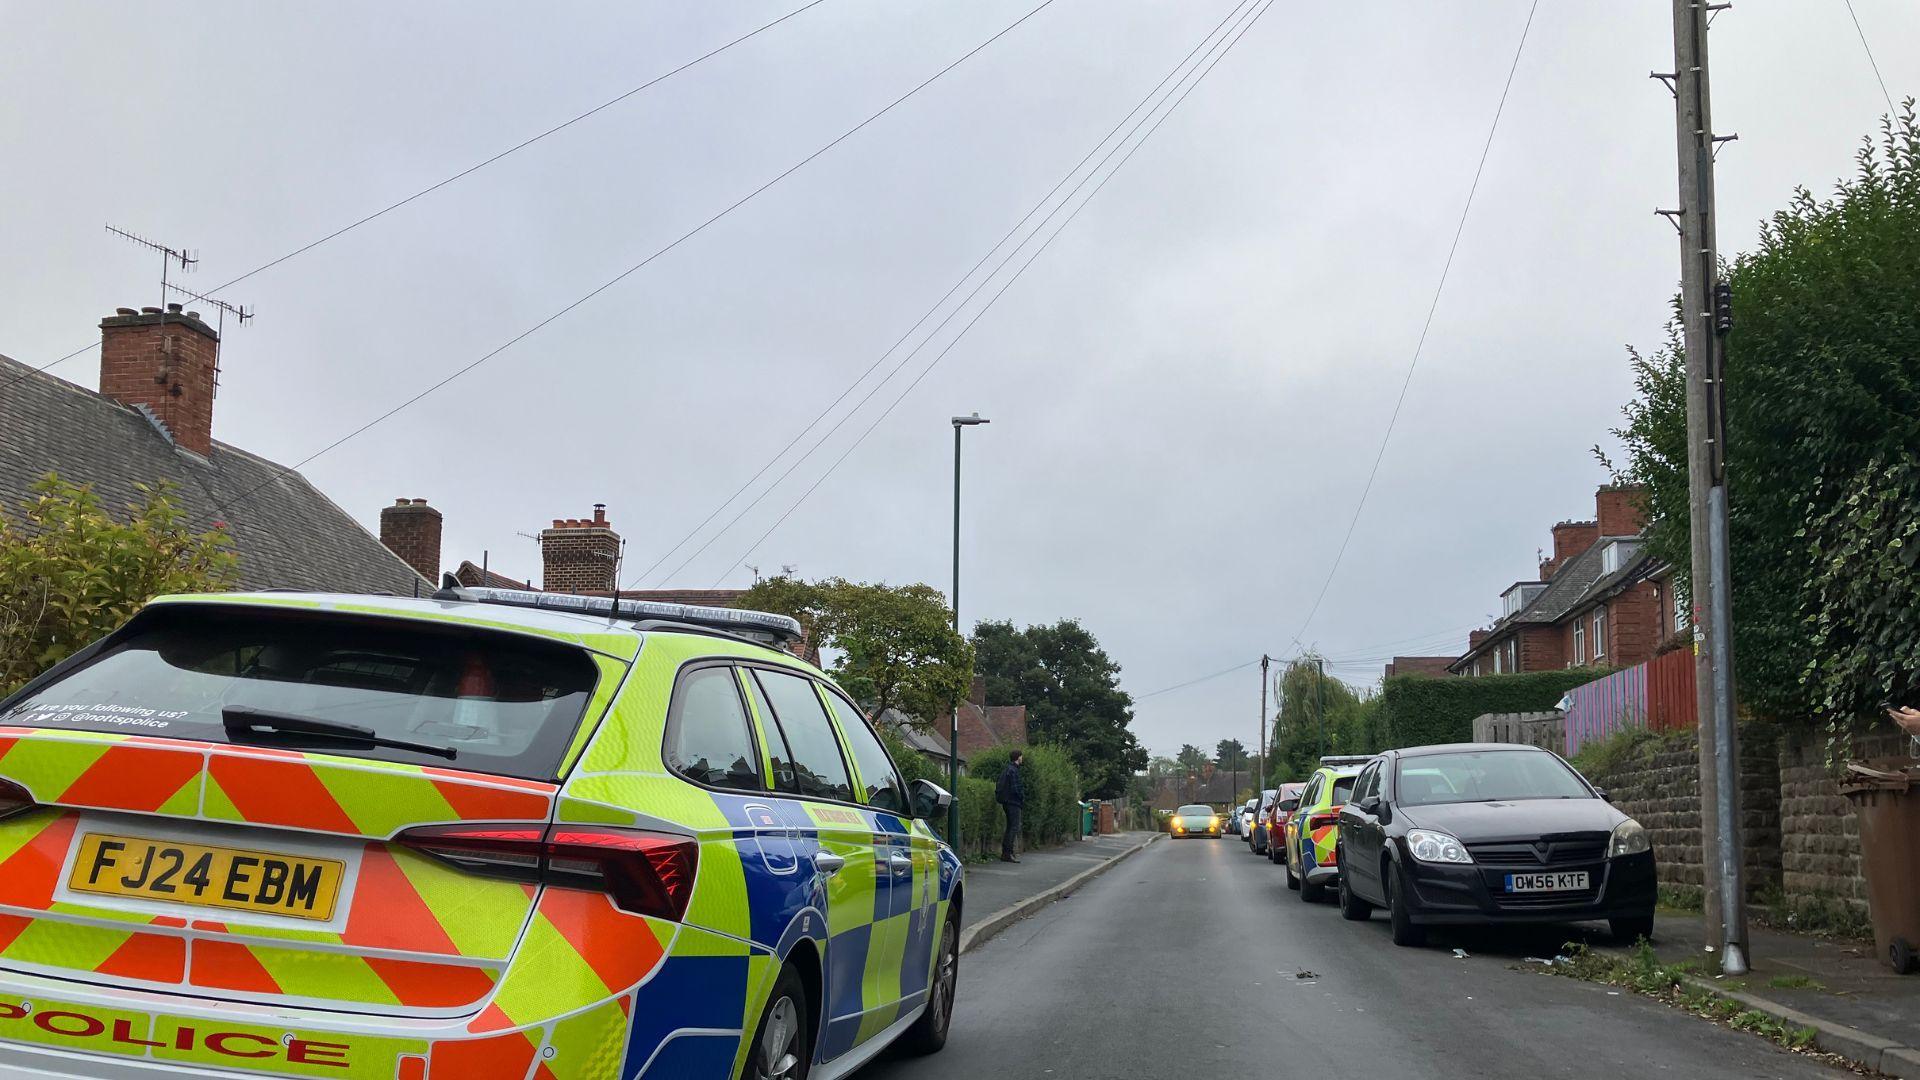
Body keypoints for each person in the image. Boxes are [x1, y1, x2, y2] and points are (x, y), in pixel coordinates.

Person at [995, 750, 1026, 863]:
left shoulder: (1007, 769)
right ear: (1018, 758)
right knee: (1014, 827)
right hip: (1013, 803)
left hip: (1006, 802)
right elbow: (1016, 789)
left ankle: (1006, 852)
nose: (1022, 758)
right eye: (1021, 757)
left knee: (1010, 827)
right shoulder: (1013, 771)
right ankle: (1008, 853)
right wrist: (1022, 798)